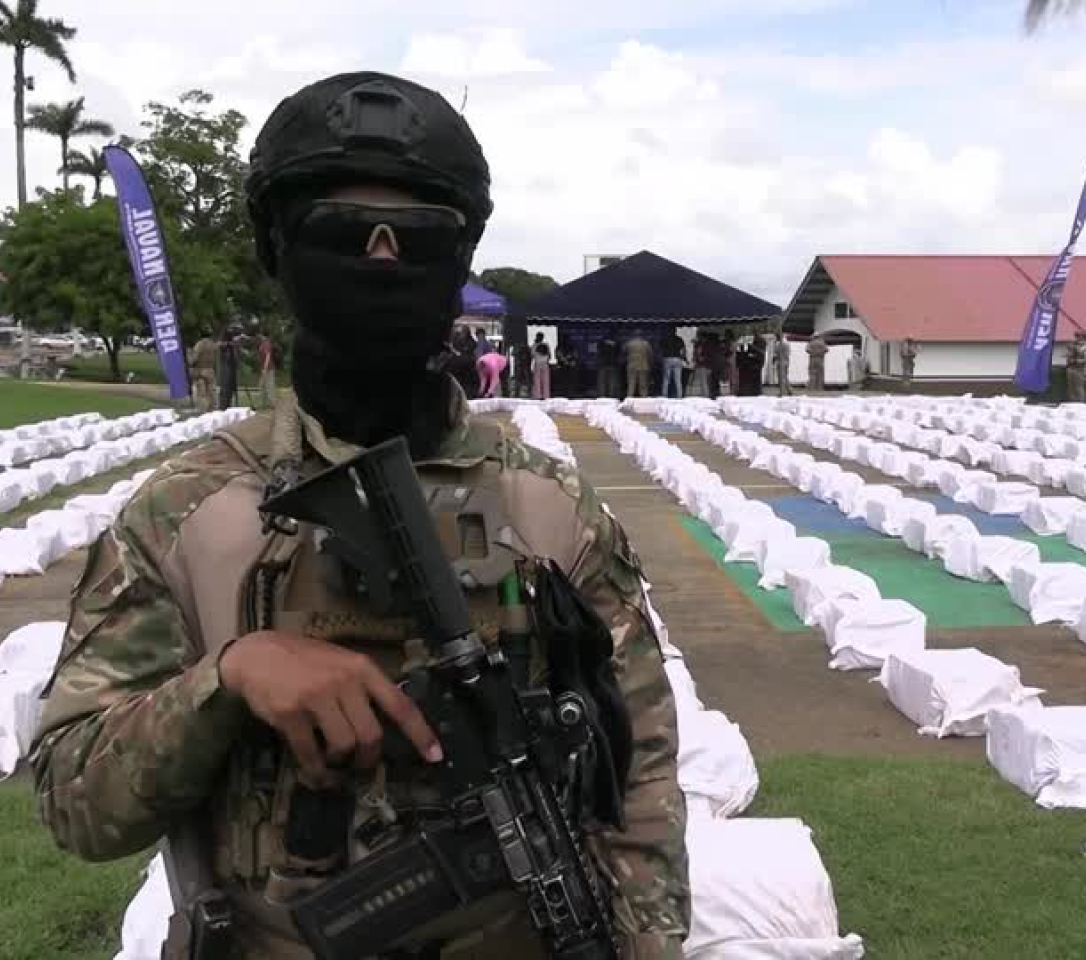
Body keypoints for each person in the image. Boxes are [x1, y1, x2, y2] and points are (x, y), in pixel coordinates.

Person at [30, 71, 689, 960]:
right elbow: (76, 801)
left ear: (458, 265)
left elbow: (637, 782)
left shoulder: (550, 512)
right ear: (278, 248)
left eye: (415, 238)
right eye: (343, 233)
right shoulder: (185, 514)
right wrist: (227, 678)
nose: (381, 260)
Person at [189, 332, 218, 412]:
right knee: (211, 391)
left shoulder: (199, 344)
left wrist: (190, 362)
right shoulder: (213, 345)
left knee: (200, 391)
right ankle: (213, 408)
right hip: (210, 369)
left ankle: (201, 408)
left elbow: (195, 358)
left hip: (200, 369)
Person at [216, 325, 241, 410]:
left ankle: (228, 404)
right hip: (226, 365)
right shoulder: (224, 339)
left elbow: (236, 352)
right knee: (225, 386)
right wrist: (230, 343)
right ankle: (223, 405)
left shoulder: (233, 341)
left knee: (230, 386)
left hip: (231, 365)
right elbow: (220, 344)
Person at [624, 330, 653, 398]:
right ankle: (644, 398)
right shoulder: (646, 344)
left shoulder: (629, 343)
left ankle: (629, 399)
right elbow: (650, 355)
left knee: (631, 384)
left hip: (631, 366)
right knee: (643, 385)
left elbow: (623, 352)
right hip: (643, 366)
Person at [1066, 331, 1086, 403]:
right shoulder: (1073, 345)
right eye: (1076, 336)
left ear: (1082, 337)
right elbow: (1069, 355)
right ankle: (1073, 404)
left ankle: (1081, 404)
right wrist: (1069, 354)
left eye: (1078, 336)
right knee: (1071, 389)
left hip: (1079, 370)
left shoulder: (1085, 347)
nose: (1076, 338)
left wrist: (1077, 361)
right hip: (1070, 368)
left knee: (1079, 388)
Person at [660, 332, 685, 399]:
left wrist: (662, 358)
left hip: (667, 359)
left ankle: (664, 395)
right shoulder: (679, 339)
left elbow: (661, 350)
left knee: (666, 379)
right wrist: (683, 358)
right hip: (677, 359)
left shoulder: (665, 339)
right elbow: (682, 351)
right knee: (678, 379)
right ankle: (679, 396)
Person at [257, 334, 278, 409]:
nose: (258, 336)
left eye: (260, 335)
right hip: (264, 368)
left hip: (268, 369)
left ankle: (273, 404)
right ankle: (263, 404)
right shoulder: (262, 343)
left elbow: (268, 355)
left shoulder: (266, 343)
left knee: (269, 386)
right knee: (262, 386)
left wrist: (265, 368)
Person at [531, 331, 551, 400]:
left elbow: (532, 355)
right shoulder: (546, 345)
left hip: (538, 364)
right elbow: (549, 356)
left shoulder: (534, 345)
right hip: (545, 364)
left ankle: (538, 396)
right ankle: (546, 395)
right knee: (545, 380)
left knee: (537, 380)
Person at [772, 327, 791, 396]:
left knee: (781, 377)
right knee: (785, 376)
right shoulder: (786, 343)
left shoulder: (779, 344)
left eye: (776, 336)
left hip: (781, 362)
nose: (776, 338)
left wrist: (774, 360)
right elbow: (788, 353)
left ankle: (782, 392)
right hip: (786, 361)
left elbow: (776, 354)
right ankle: (789, 390)